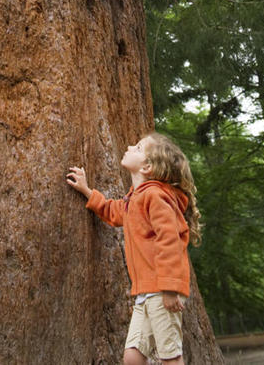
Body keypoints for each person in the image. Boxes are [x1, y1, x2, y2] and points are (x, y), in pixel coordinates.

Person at [66, 132, 202, 365]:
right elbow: (114, 211)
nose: (130, 146)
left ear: (148, 166)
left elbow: (170, 241)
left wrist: (170, 288)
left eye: (138, 148)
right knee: (132, 357)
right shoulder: (135, 200)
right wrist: (87, 191)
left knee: (170, 356)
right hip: (145, 293)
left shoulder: (156, 197)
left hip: (161, 291)